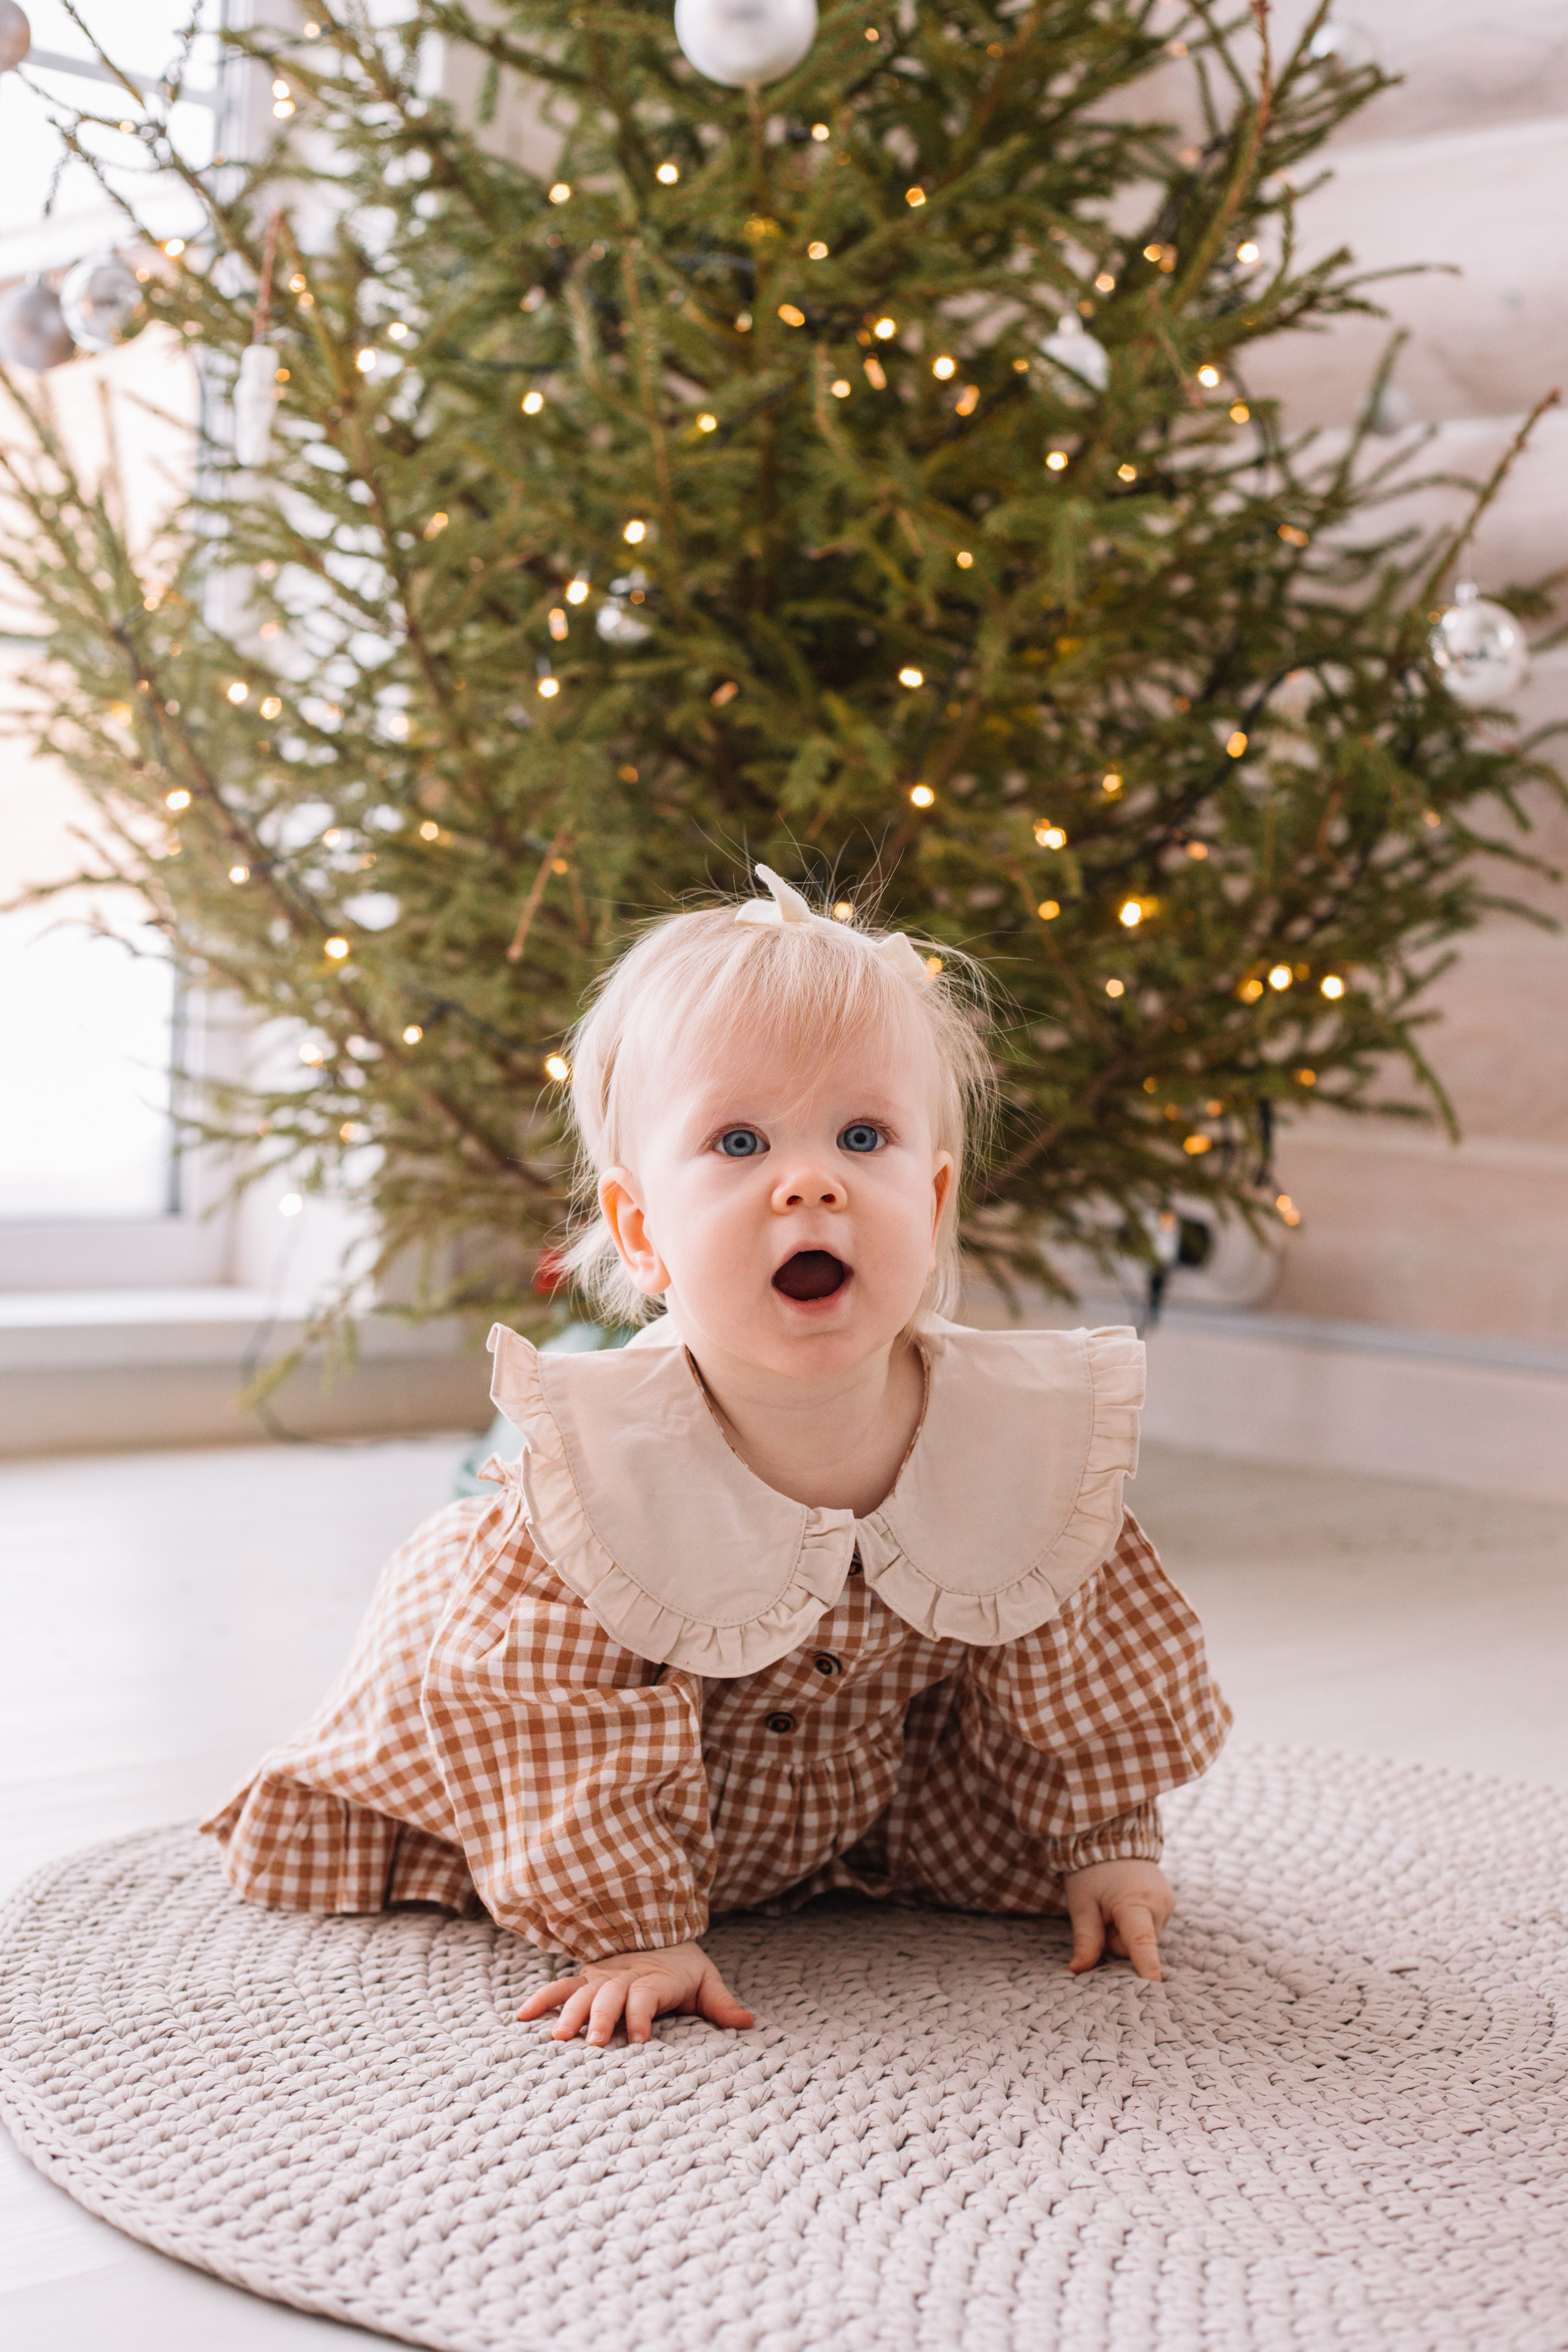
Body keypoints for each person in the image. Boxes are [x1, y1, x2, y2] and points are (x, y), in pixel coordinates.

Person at [205, 867, 1230, 2046]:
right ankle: (636, 1881)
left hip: (856, 1801)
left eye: (864, 1135)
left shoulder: (1006, 1429)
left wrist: (1105, 1845)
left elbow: (1066, 1656)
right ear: (643, 1232)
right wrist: (629, 1925)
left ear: (935, 1198)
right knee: (517, 1720)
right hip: (556, 1790)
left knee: (1025, 1575)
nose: (812, 1180)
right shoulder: (605, 1472)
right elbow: (552, 1717)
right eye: (740, 1142)